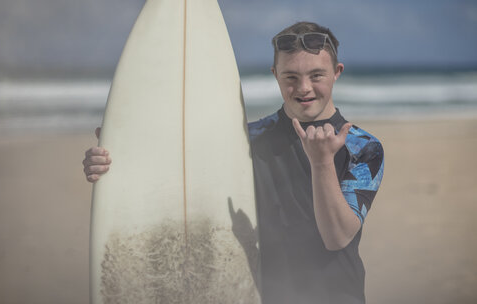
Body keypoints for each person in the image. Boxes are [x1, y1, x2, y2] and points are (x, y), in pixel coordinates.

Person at [83, 21, 384, 304]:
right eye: (290, 77)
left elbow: (336, 237)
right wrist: (115, 161)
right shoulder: (247, 138)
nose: (303, 88)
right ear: (275, 75)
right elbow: (177, 168)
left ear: (337, 72)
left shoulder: (363, 148)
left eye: (316, 75)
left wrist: (322, 163)